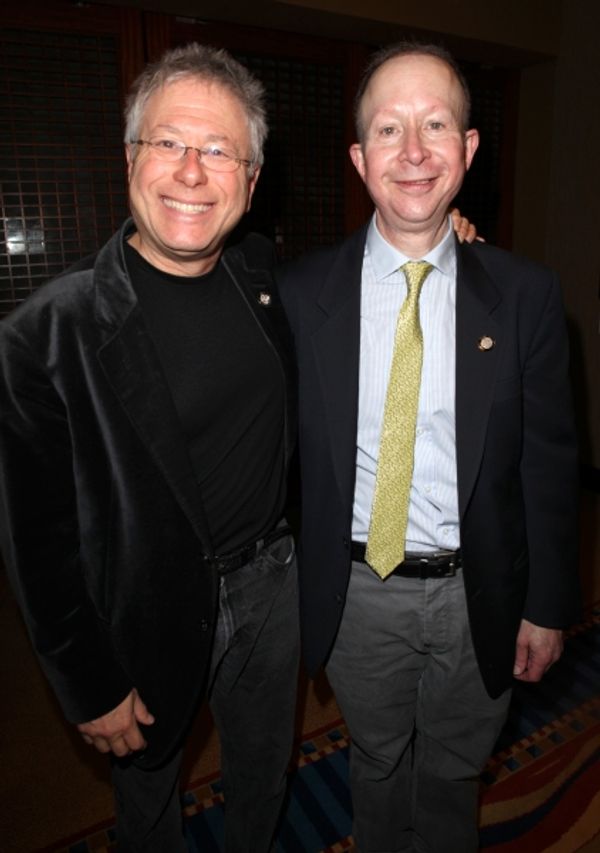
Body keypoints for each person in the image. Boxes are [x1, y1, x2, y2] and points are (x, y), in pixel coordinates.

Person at [277, 42, 580, 852]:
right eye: (388, 129)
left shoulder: (524, 294)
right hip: (358, 589)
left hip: (477, 587)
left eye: (436, 124)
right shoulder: (301, 294)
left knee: (453, 770)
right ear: (359, 155)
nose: (413, 151)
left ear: (468, 150)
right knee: (375, 765)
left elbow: (548, 463)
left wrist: (547, 604)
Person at [0, 43, 300, 852]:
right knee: (149, 801)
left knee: (264, 775)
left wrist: (440, 235)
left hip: (273, 587)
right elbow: (38, 539)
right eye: (169, 142)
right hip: (143, 605)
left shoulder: (262, 272)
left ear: (252, 177)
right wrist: (86, 680)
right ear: (131, 156)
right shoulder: (45, 336)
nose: (191, 172)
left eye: (218, 150)